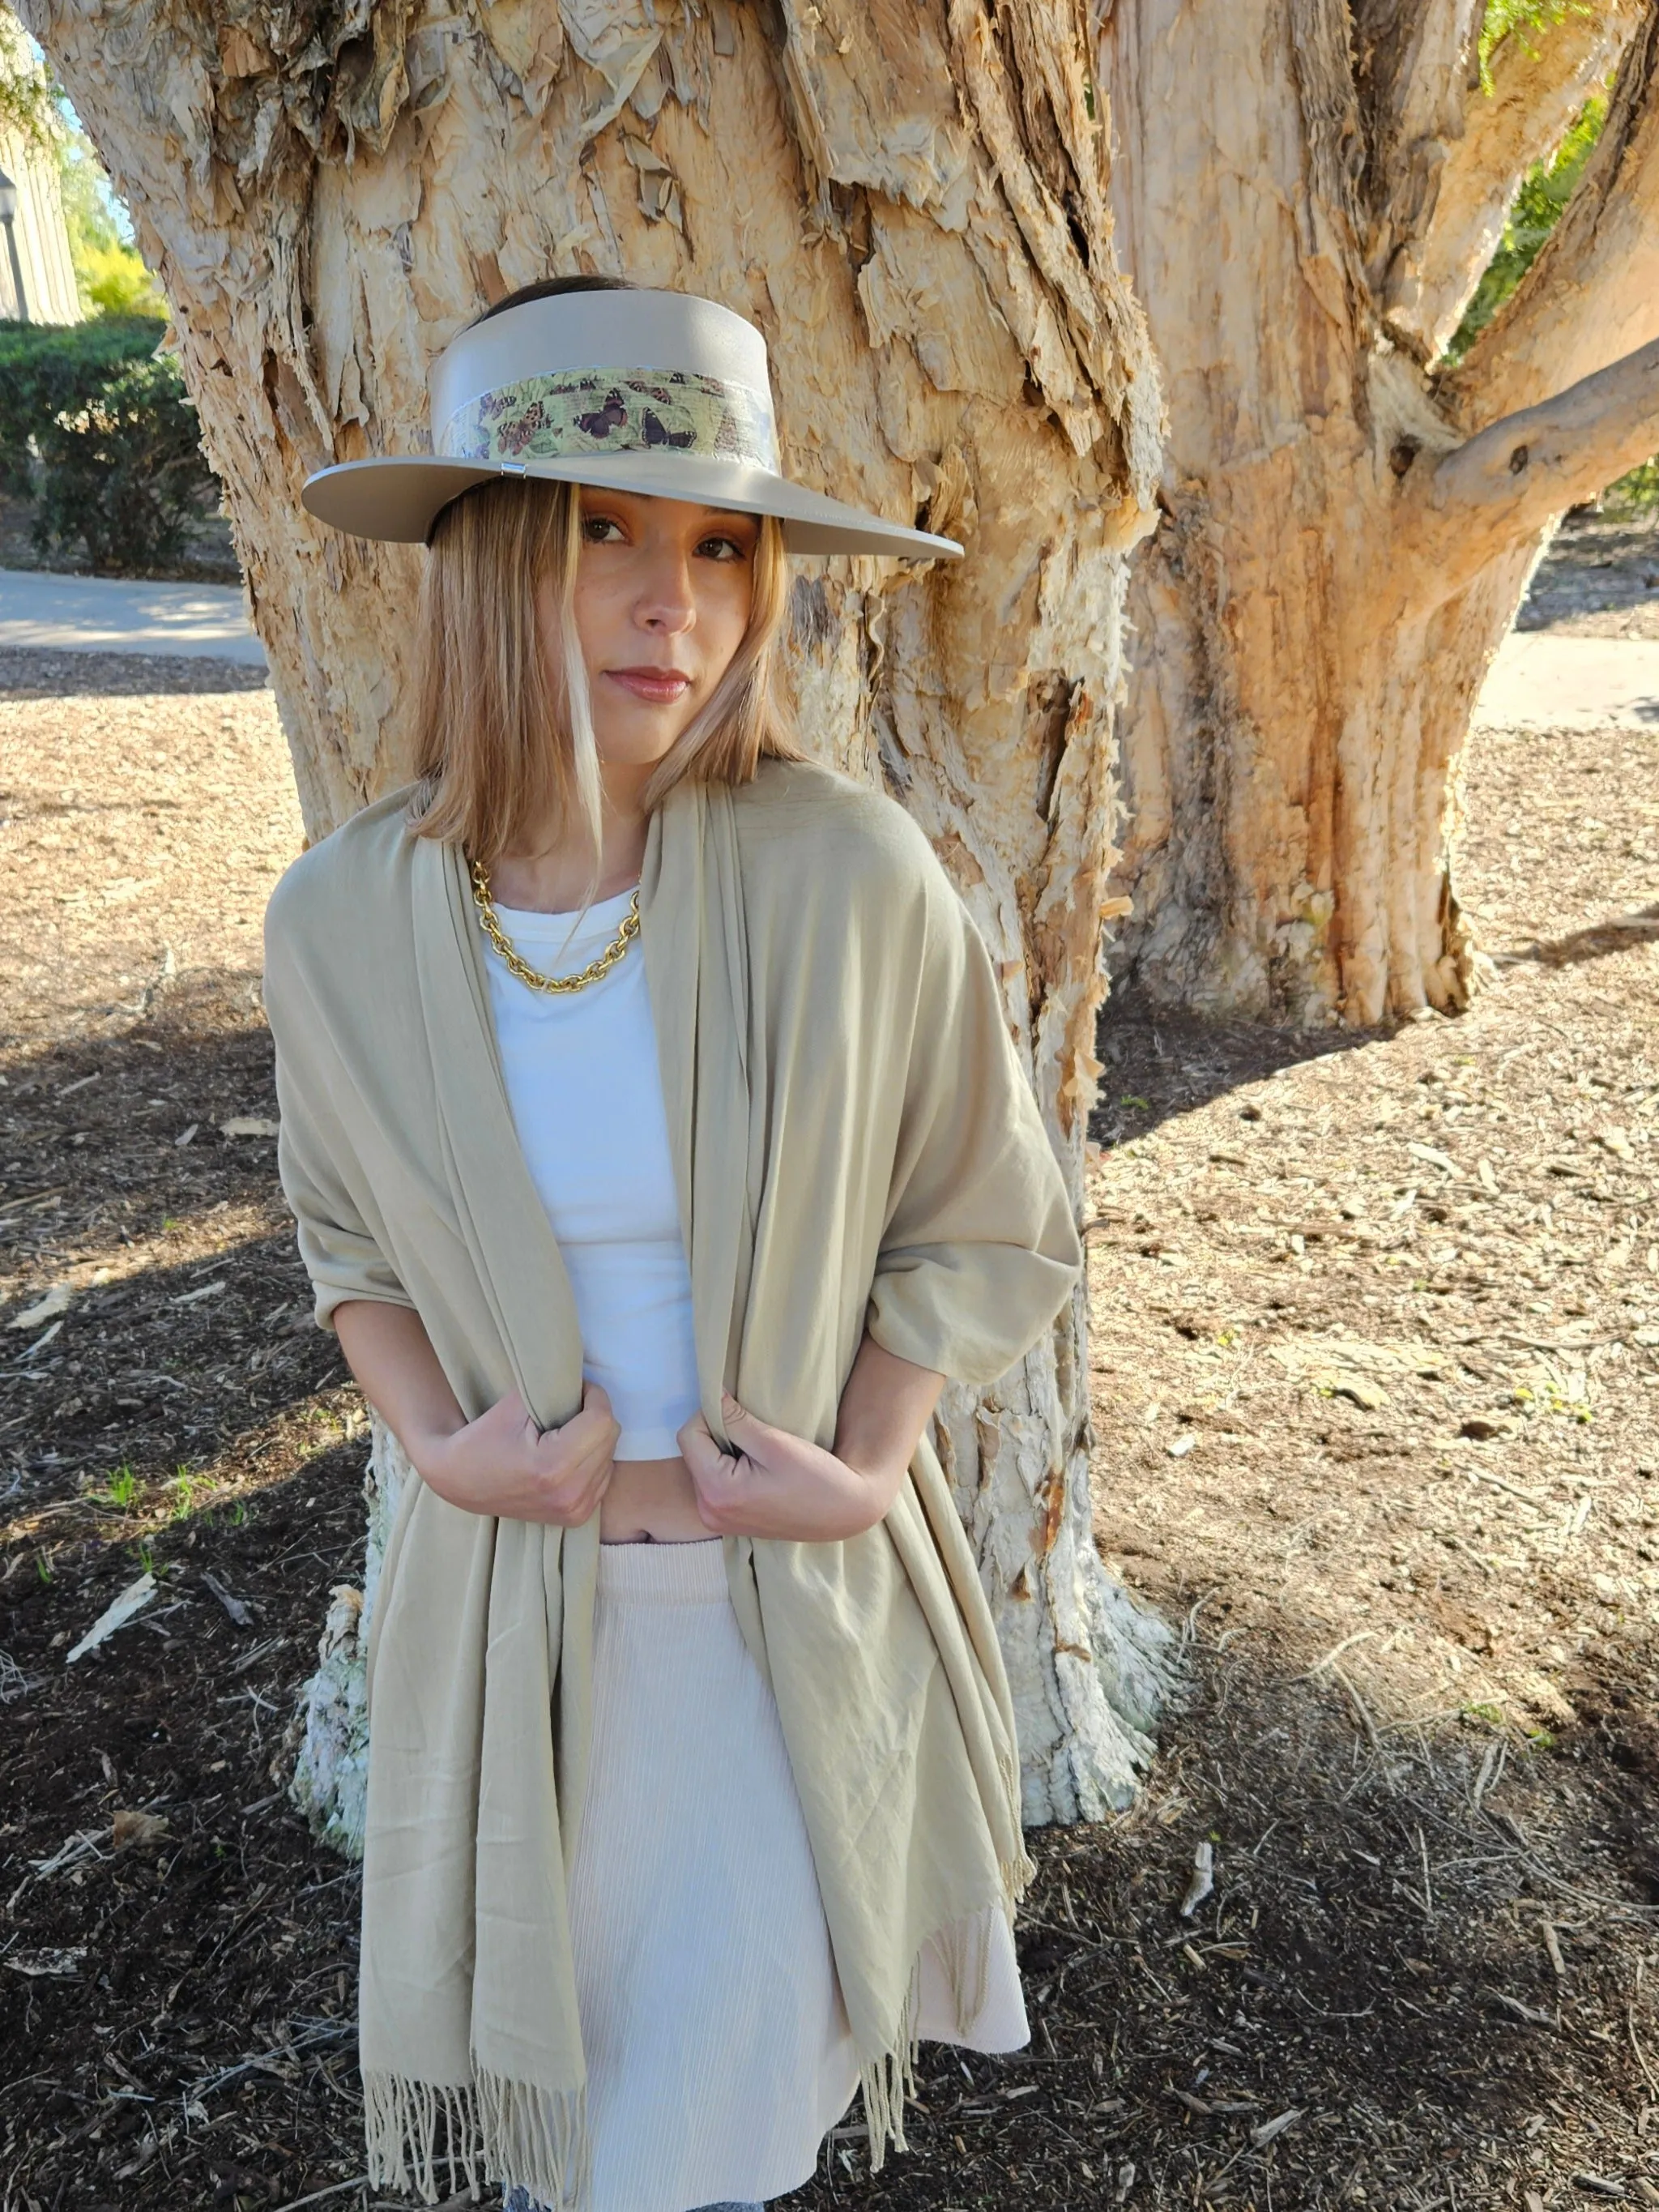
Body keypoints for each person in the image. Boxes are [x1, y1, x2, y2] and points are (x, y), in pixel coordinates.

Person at [265, 276, 1083, 2212]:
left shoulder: (849, 874)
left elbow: (988, 1215)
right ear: (484, 559)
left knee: (702, 2146)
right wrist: (430, 1447)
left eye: (723, 545)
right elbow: (344, 1246)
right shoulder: (346, 921)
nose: (678, 604)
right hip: (511, 1635)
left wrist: (868, 1463)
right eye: (606, 533)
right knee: (574, 2140)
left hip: (760, 1629)